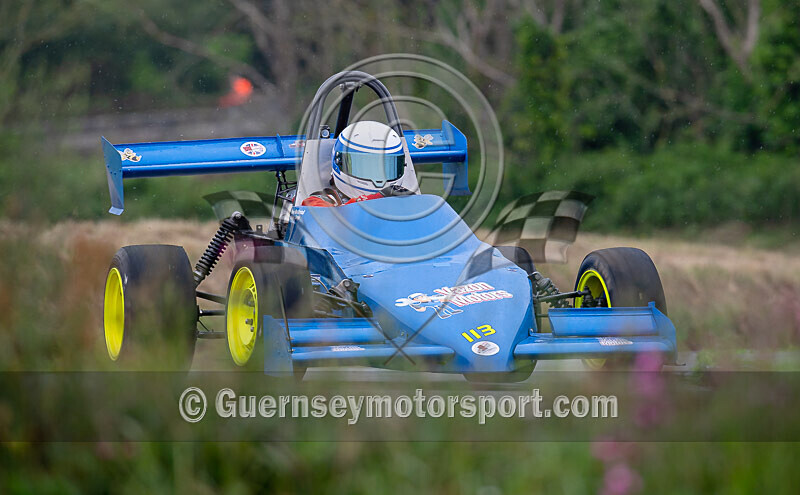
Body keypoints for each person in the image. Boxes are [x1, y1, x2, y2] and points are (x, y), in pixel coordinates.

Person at [301, 121, 412, 207]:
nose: (377, 179)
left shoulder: (403, 203)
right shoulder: (322, 201)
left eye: (385, 169)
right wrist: (378, 197)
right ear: (339, 163)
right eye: (366, 167)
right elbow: (323, 217)